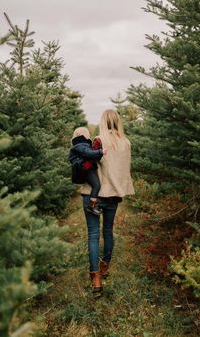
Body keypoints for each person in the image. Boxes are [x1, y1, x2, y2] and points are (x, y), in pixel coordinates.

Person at [81, 109, 135, 297]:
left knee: (93, 234)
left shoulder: (99, 141)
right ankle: (104, 267)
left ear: (103, 122)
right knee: (108, 231)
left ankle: (96, 279)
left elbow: (86, 165)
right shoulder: (126, 143)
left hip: (94, 195)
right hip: (113, 195)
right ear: (118, 122)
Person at [69, 126, 107, 215]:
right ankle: (91, 206)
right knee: (96, 185)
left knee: (96, 185)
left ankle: (93, 204)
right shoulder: (80, 145)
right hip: (85, 168)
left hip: (85, 168)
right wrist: (100, 152)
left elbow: (90, 154)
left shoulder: (80, 145)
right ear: (85, 135)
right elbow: (87, 153)